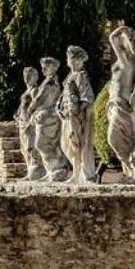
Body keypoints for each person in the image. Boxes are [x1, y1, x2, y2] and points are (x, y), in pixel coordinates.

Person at [106, 25, 135, 184]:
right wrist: (123, 29)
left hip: (123, 104)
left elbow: (112, 38)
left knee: (117, 138)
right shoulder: (122, 60)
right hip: (113, 103)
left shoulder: (128, 61)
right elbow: (112, 37)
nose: (120, 44)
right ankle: (130, 170)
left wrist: (134, 97)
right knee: (117, 139)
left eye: (125, 41)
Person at [58, 45, 98, 184]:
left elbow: (87, 97)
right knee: (68, 145)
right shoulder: (70, 76)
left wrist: (78, 112)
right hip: (67, 115)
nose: (70, 61)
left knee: (78, 144)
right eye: (69, 58)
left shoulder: (81, 76)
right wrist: (60, 108)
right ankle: (76, 173)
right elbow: (64, 96)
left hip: (77, 116)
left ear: (79, 61)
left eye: (73, 58)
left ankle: (84, 175)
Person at [29, 56, 69, 181]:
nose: (43, 70)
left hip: (48, 116)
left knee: (43, 143)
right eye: (43, 67)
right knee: (43, 143)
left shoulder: (50, 82)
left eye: (46, 67)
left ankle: (57, 169)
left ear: (53, 68)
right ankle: (51, 170)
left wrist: (31, 109)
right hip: (44, 115)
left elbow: (39, 99)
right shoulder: (49, 81)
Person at [15, 65, 42, 179]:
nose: (27, 77)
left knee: (32, 147)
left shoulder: (36, 90)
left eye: (30, 75)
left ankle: (35, 171)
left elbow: (38, 107)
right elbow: (22, 106)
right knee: (24, 148)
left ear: (35, 77)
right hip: (22, 123)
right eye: (26, 75)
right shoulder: (28, 90)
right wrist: (17, 115)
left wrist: (31, 123)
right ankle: (29, 171)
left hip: (30, 124)